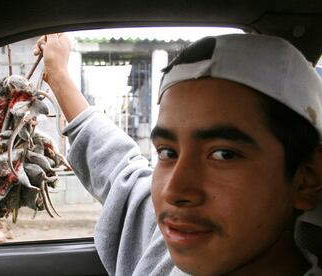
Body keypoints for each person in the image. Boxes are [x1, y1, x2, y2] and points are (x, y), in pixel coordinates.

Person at [34, 33, 322, 275]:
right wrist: (58, 75)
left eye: (223, 154)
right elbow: (118, 168)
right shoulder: (167, 246)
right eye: (168, 152)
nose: (174, 190)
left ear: (307, 178)